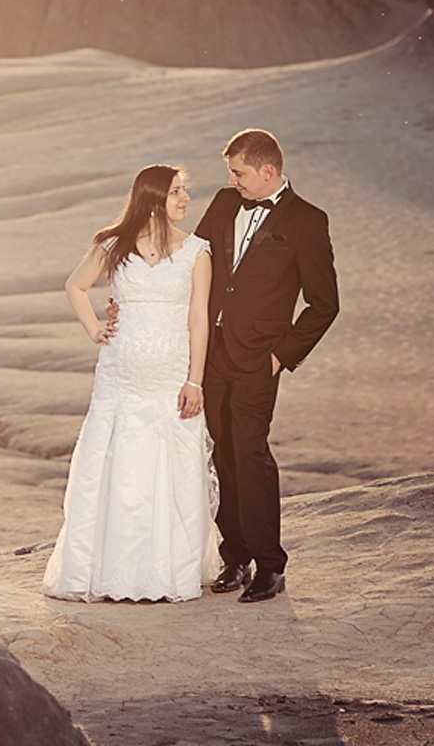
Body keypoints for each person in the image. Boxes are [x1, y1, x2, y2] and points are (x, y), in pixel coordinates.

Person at [43, 164, 219, 603]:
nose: (185, 200)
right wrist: (94, 329)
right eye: (176, 192)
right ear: (153, 197)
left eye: (184, 191)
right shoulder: (113, 245)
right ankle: (101, 572)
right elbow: (75, 286)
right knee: (114, 466)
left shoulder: (198, 251)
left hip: (170, 380)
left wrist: (194, 381)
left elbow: (199, 319)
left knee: (170, 469)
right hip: (119, 378)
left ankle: (166, 574)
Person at [192, 129, 339, 603]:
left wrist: (282, 356)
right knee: (220, 452)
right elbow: (193, 265)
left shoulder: (307, 221)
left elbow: (324, 304)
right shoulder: (221, 203)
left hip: (260, 360)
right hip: (211, 353)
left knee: (249, 453)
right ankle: (235, 556)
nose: (232, 180)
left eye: (239, 172)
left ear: (267, 171)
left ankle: (270, 565)